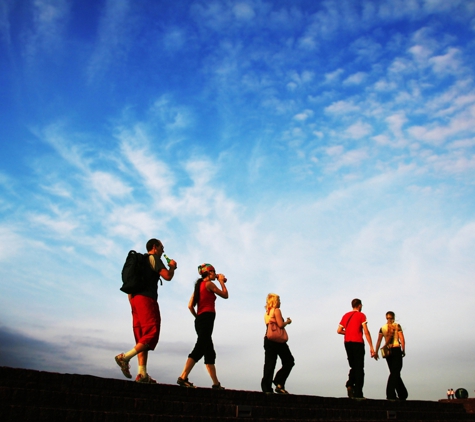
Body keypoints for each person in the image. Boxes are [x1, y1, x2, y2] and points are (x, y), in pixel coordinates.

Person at [115, 239, 177, 383]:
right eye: (162, 247)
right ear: (154, 247)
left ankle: (142, 374)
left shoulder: (140, 261)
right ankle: (124, 357)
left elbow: (130, 286)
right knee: (152, 331)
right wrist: (172, 267)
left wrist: (133, 303)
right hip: (147, 299)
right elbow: (167, 277)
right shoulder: (154, 258)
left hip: (135, 300)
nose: (163, 250)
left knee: (142, 337)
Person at [177, 263, 228, 389]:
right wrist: (222, 281)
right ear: (209, 273)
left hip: (200, 320)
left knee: (209, 351)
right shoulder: (209, 284)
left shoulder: (198, 286)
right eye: (214, 271)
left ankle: (216, 384)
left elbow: (190, 305)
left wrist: (197, 317)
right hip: (206, 319)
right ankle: (183, 377)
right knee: (200, 347)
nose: (215, 273)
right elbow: (225, 295)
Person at [337, 298, 376, 399]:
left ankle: (350, 384)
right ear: (359, 305)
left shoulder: (346, 315)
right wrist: (371, 347)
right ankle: (358, 393)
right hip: (358, 342)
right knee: (359, 368)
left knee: (353, 366)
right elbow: (366, 331)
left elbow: (339, 330)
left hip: (347, 343)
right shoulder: (361, 315)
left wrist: (349, 331)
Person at [261, 293, 295, 394]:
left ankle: (266, 387)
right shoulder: (276, 310)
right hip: (278, 341)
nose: (280, 302)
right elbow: (280, 325)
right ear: (275, 301)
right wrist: (288, 322)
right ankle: (279, 381)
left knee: (269, 364)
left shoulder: (266, 313)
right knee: (289, 361)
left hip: (268, 339)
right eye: (279, 300)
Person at [374, 311, 408, 400]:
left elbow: (379, 341)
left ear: (386, 317)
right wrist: (403, 350)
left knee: (394, 372)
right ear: (393, 317)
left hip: (388, 352)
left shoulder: (382, 328)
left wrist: (376, 351)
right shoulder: (397, 326)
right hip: (396, 350)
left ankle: (402, 393)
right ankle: (390, 394)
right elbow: (402, 339)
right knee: (395, 372)